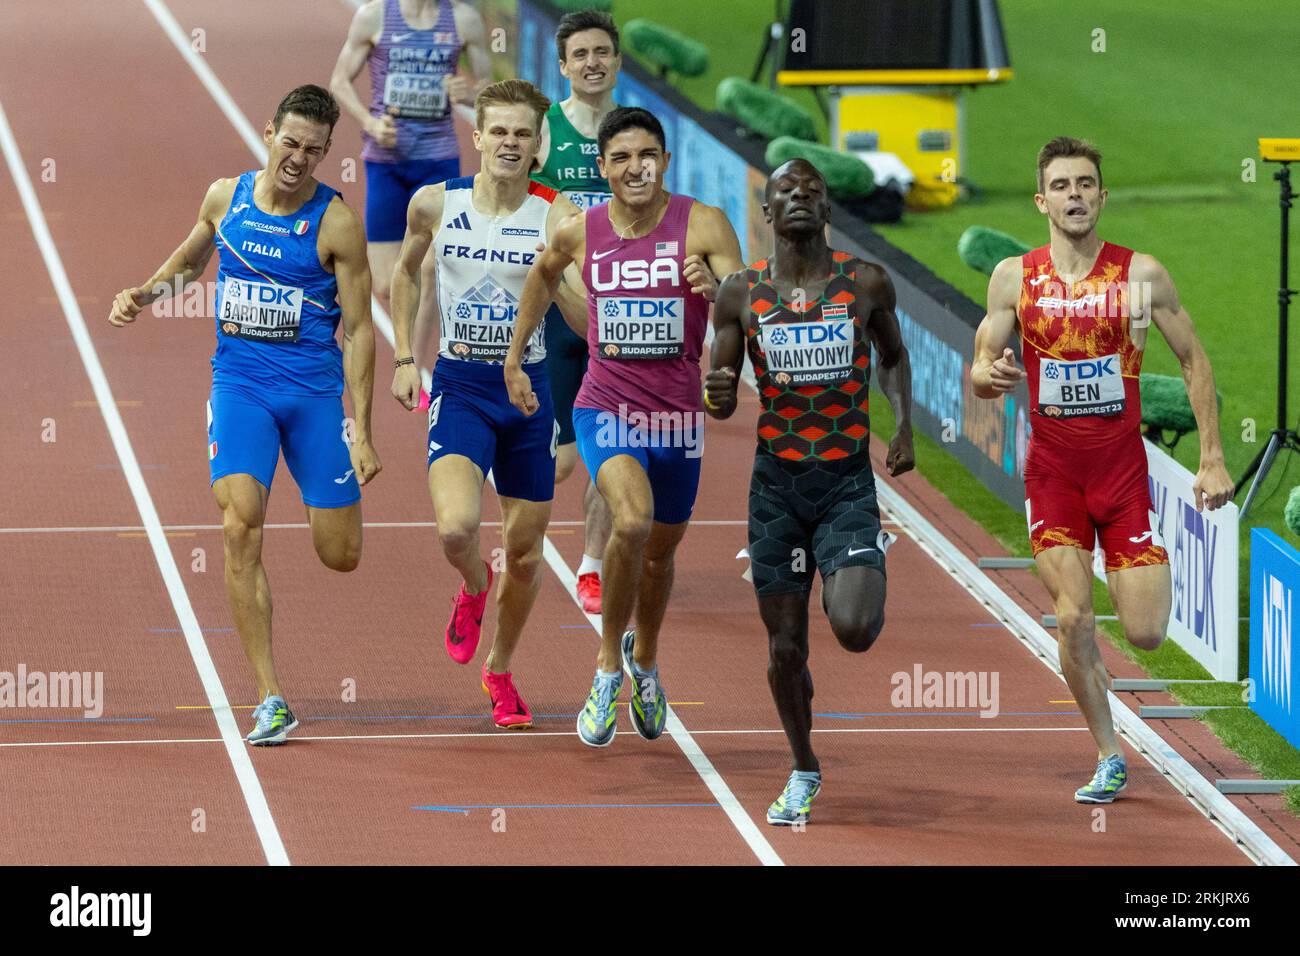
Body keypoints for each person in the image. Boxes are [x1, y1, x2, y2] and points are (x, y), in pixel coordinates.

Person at [109, 86, 381, 745]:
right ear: (268, 133)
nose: (298, 158)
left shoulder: (336, 222)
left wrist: (363, 429)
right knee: (239, 526)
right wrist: (147, 293)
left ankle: (326, 495)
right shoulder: (224, 197)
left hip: (314, 397)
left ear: (325, 153)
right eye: (290, 143)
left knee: (339, 554)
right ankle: (270, 696)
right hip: (241, 387)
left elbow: (362, 329)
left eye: (313, 150)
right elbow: (191, 259)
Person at [971, 136, 1234, 803]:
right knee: (1073, 619)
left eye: (1086, 184)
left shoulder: (1139, 276)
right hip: (1053, 477)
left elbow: (1195, 360)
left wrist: (1211, 459)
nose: (1075, 196)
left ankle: (1107, 636)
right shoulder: (1014, 277)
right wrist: (991, 376)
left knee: (1144, 633)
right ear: (1041, 201)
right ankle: (1109, 752)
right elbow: (980, 367)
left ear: (1103, 195)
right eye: (1061, 186)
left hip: (1121, 478)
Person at [506, 107, 742, 747]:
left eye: (648, 155)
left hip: (678, 414)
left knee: (660, 559)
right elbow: (542, 275)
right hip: (606, 404)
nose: (636, 167)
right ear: (603, 167)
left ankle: (646, 660)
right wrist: (514, 356)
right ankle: (607, 666)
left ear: (665, 161)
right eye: (622, 158)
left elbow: (744, 310)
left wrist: (718, 287)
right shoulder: (580, 231)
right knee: (631, 521)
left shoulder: (704, 224)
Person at [706, 159, 914, 825]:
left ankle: (860, 557)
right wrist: (714, 394)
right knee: (785, 649)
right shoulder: (739, 293)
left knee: (853, 629)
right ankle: (803, 765)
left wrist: (904, 424)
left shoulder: (866, 283)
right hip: (777, 489)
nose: (799, 198)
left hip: (846, 479)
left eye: (811, 192)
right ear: (766, 214)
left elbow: (893, 357)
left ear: (826, 211)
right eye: (785, 193)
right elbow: (721, 391)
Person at [391, 79, 587, 729]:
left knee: (527, 554)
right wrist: (401, 358)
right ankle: (474, 587)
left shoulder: (558, 216)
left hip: (529, 396)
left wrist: (555, 280)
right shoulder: (433, 204)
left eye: (522, 134)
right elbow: (405, 274)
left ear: (539, 144)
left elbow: (585, 324)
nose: (509, 143)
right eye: (498, 131)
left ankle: (499, 671)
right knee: (456, 527)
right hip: (461, 386)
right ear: (477, 137)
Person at [330, 0, 490, 394]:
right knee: (386, 283)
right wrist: (369, 123)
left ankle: (416, 369)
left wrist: (467, 94)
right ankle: (409, 352)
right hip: (387, 164)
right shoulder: (374, 17)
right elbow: (338, 81)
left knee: (431, 269)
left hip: (439, 163)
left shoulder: (465, 21)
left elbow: (489, 94)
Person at [531, 8, 625, 613]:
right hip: (556, 310)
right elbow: (513, 196)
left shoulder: (634, 132)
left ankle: (592, 566)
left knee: (608, 447)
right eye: (580, 55)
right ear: (563, 66)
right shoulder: (543, 130)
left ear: (616, 61)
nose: (592, 63)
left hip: (619, 315)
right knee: (561, 463)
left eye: (602, 53)